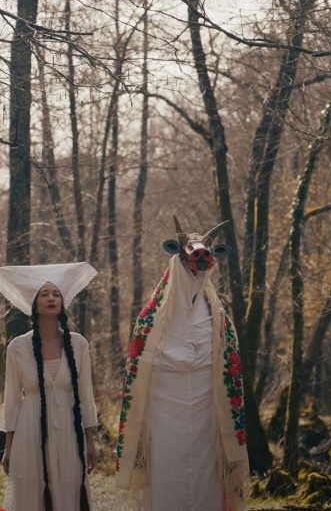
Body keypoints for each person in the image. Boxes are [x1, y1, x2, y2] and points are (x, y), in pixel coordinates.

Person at [114, 218, 249, 511]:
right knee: (167, 465)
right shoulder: (153, 317)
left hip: (206, 406)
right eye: (189, 265)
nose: (195, 273)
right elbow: (140, 364)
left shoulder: (216, 316)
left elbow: (228, 364)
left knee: (206, 469)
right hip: (164, 405)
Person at [0, 262, 99, 511]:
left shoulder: (79, 344)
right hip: (29, 433)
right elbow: (12, 400)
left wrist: (90, 440)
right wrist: (8, 447)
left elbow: (86, 396)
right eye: (44, 294)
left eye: (56, 294)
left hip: (70, 433)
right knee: (31, 496)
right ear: (34, 303)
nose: (51, 299)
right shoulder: (17, 347)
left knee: (70, 493)